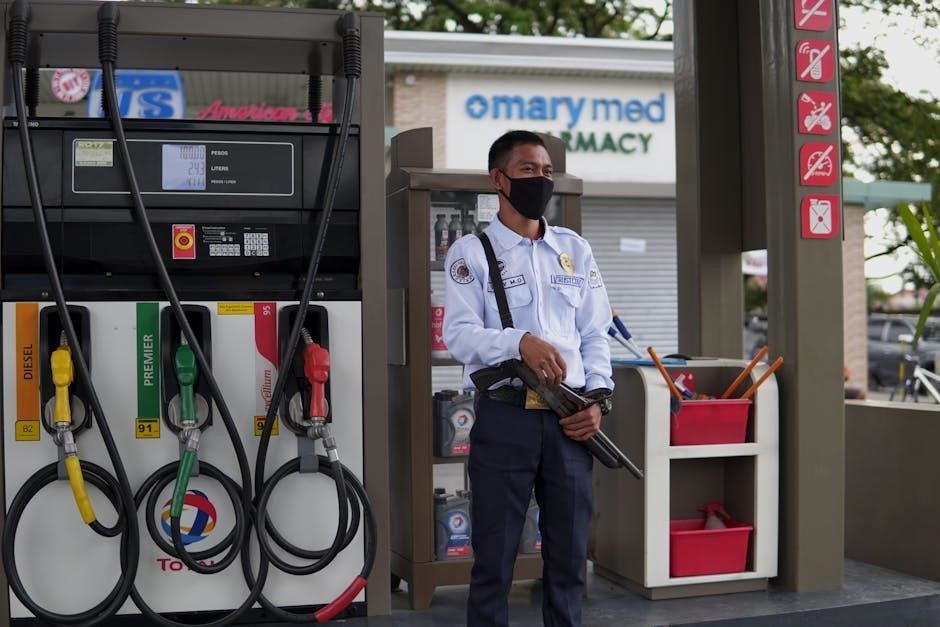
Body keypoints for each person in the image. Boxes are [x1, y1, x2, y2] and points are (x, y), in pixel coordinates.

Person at [443, 130, 614, 627]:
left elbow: (595, 333)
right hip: (507, 420)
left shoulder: (574, 249)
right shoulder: (472, 252)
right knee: (494, 560)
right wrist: (518, 342)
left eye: (546, 171)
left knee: (568, 559)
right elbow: (459, 335)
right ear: (499, 179)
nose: (540, 179)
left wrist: (598, 398)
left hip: (571, 421)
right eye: (527, 170)